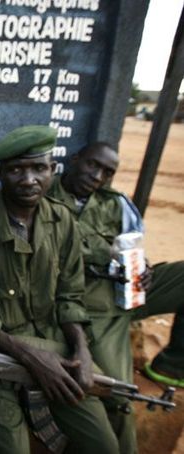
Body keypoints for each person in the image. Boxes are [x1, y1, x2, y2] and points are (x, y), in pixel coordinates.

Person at [0, 126, 119, 453]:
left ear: (53, 171)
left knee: (103, 442)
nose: (29, 179)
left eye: (39, 168)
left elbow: (70, 296)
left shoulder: (63, 222)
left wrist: (81, 350)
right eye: (17, 169)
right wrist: (29, 355)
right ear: (0, 174)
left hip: (53, 348)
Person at [47, 141, 184, 453]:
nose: (97, 176)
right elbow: (52, 249)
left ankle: (172, 368)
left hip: (126, 289)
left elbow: (129, 244)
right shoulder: (41, 195)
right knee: (118, 393)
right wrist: (105, 252)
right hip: (90, 307)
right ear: (75, 159)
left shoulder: (112, 203)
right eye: (92, 165)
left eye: (107, 172)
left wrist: (142, 266)